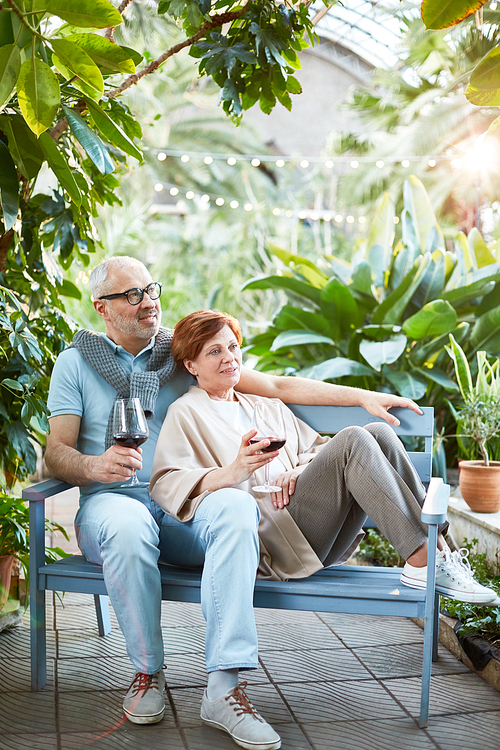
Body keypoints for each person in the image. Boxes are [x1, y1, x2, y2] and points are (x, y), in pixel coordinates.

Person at [44, 256, 441, 737]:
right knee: (130, 526)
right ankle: (148, 672)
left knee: (233, 504)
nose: (149, 302)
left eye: (152, 289)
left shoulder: (178, 353)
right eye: (133, 295)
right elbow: (56, 454)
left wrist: (359, 396)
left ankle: (223, 688)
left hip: (189, 509)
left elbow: (275, 385)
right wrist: (94, 466)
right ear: (102, 308)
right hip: (116, 499)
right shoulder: (76, 363)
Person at [149, 309, 499, 750]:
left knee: (376, 431)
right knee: (355, 438)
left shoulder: (264, 405)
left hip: (311, 531)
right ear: (191, 364)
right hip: (266, 539)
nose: (229, 358)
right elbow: (165, 484)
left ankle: (437, 551)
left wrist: (296, 471)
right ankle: (424, 558)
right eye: (214, 351)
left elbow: (317, 451)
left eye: (233, 347)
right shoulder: (187, 412)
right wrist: (237, 469)